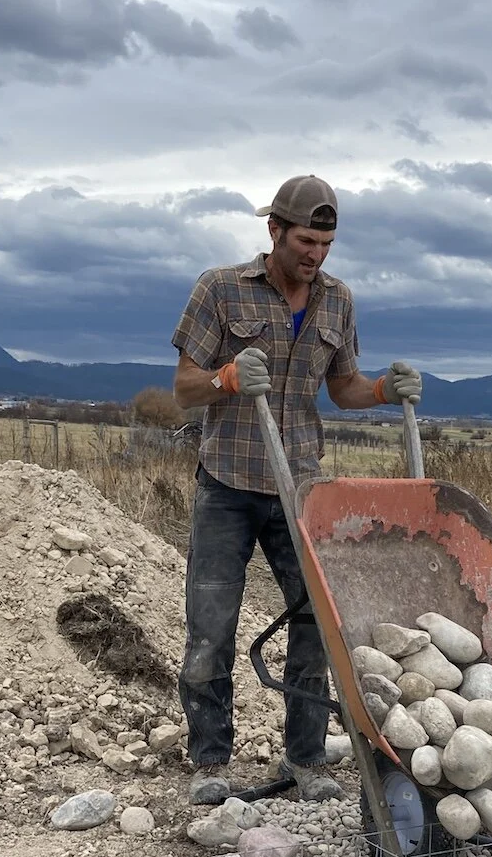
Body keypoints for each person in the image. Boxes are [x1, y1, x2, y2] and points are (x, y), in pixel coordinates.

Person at [170, 174, 423, 806]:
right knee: (211, 626)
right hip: (227, 484)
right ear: (275, 231)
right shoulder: (221, 289)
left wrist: (385, 392)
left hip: (299, 490)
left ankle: (307, 758)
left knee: (318, 623)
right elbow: (184, 387)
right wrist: (225, 377)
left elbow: (344, 389)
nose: (315, 254)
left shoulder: (337, 302)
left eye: (326, 244)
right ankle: (209, 759)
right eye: (305, 240)